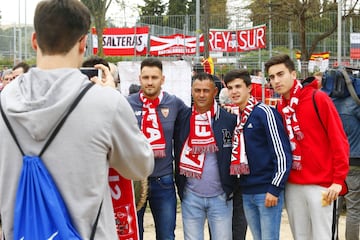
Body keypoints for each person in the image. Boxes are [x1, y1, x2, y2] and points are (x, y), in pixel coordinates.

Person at [0, 0, 154, 239]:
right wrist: (114, 96)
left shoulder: (4, 101)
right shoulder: (106, 103)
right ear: (83, 43)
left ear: (34, 40)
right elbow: (140, 166)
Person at [265, 54, 349, 239]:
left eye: (280, 74)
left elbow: (339, 140)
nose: (276, 81)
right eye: (271, 77)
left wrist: (338, 180)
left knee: (323, 236)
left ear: (293, 74)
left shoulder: (318, 99)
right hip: (293, 184)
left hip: (322, 184)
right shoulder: (280, 108)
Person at [224, 69, 292, 240]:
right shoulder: (237, 116)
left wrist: (275, 188)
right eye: (230, 88)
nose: (234, 91)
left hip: (266, 190)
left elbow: (282, 153)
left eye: (238, 86)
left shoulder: (264, 112)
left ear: (249, 87)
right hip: (247, 191)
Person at [127, 57, 188, 240]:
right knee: (133, 234)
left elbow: (196, 119)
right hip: (134, 180)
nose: (150, 82)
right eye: (146, 77)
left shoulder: (175, 103)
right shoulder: (127, 103)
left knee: (166, 235)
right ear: (140, 79)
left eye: (154, 77)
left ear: (163, 79)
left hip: (164, 180)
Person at [174, 72, 237, 240]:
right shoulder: (182, 119)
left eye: (206, 90)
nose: (201, 95)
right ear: (192, 91)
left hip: (221, 197)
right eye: (197, 90)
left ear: (215, 92)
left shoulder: (229, 119)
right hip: (191, 197)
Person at [332, 95, 360, 240]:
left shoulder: (330, 103)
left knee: (334, 208)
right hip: (354, 161)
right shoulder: (355, 104)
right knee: (353, 209)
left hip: (335, 161)